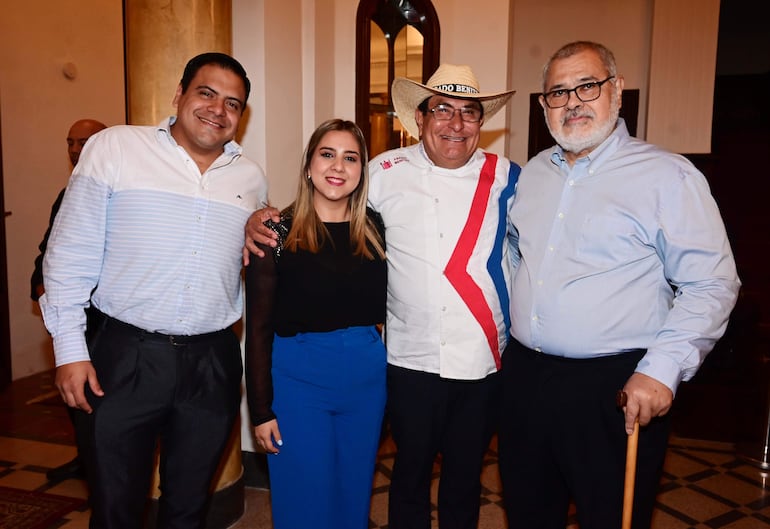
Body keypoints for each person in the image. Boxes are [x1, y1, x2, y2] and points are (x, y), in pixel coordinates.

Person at [246, 64, 520, 529]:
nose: (455, 124)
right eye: (442, 109)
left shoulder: (510, 179)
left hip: (477, 358)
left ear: (481, 122)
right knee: (406, 477)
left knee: (462, 479)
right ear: (420, 118)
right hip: (407, 362)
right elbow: (320, 211)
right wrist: (258, 218)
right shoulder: (384, 173)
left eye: (469, 112)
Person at [498, 41, 740, 529]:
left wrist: (662, 370)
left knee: (610, 517)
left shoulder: (668, 176)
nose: (573, 102)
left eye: (587, 86)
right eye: (558, 92)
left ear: (617, 90)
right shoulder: (533, 174)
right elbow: (515, 256)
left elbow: (711, 283)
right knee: (526, 513)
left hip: (615, 385)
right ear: (544, 104)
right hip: (526, 378)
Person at [39, 52, 268, 528]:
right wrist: (69, 350)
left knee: (190, 507)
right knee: (116, 508)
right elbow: (69, 252)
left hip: (212, 362)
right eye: (206, 93)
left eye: (232, 103)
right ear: (179, 95)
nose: (218, 109)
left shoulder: (250, 177)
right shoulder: (117, 148)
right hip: (123, 358)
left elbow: (257, 248)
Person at [245, 118, 387, 529]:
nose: (338, 166)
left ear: (361, 172)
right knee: (303, 498)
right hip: (298, 381)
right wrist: (260, 410)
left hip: (366, 379)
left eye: (350, 158)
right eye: (327, 154)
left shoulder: (376, 228)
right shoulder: (276, 232)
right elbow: (258, 329)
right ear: (309, 165)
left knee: (353, 493)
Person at [30, 118, 107, 483]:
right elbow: (50, 250)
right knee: (75, 395)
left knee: (101, 401)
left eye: (84, 142)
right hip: (72, 318)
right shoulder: (67, 193)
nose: (76, 150)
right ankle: (85, 459)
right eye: (70, 142)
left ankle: (100, 468)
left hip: (106, 319)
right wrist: (40, 286)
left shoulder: (121, 192)